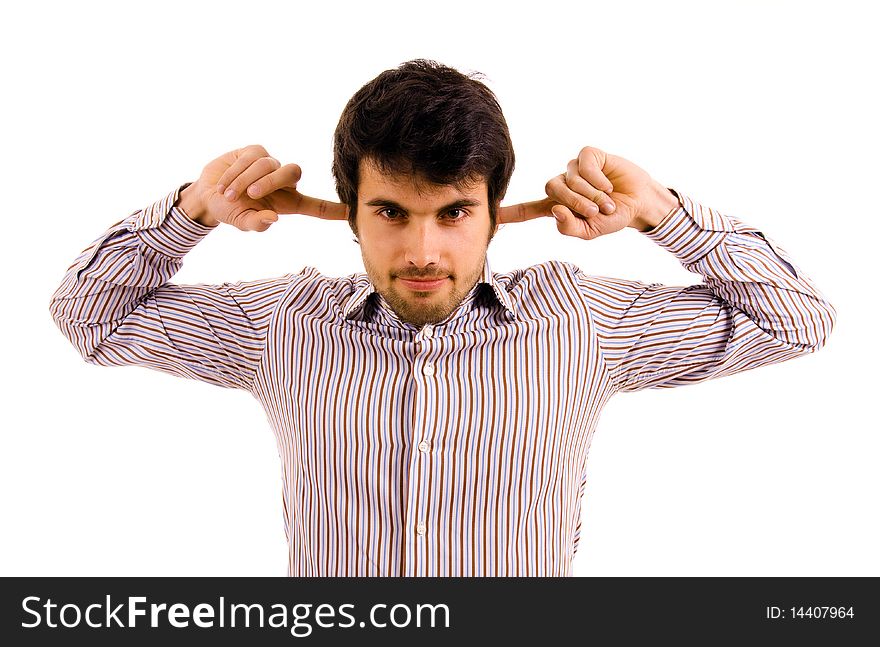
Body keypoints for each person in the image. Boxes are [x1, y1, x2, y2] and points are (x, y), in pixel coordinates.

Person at [49, 59, 836, 576]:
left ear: (498, 211)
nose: (423, 248)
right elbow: (90, 317)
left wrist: (662, 213)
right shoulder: (281, 321)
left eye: (455, 211)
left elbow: (797, 320)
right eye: (391, 211)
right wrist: (191, 211)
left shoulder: (581, 321)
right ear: (346, 212)